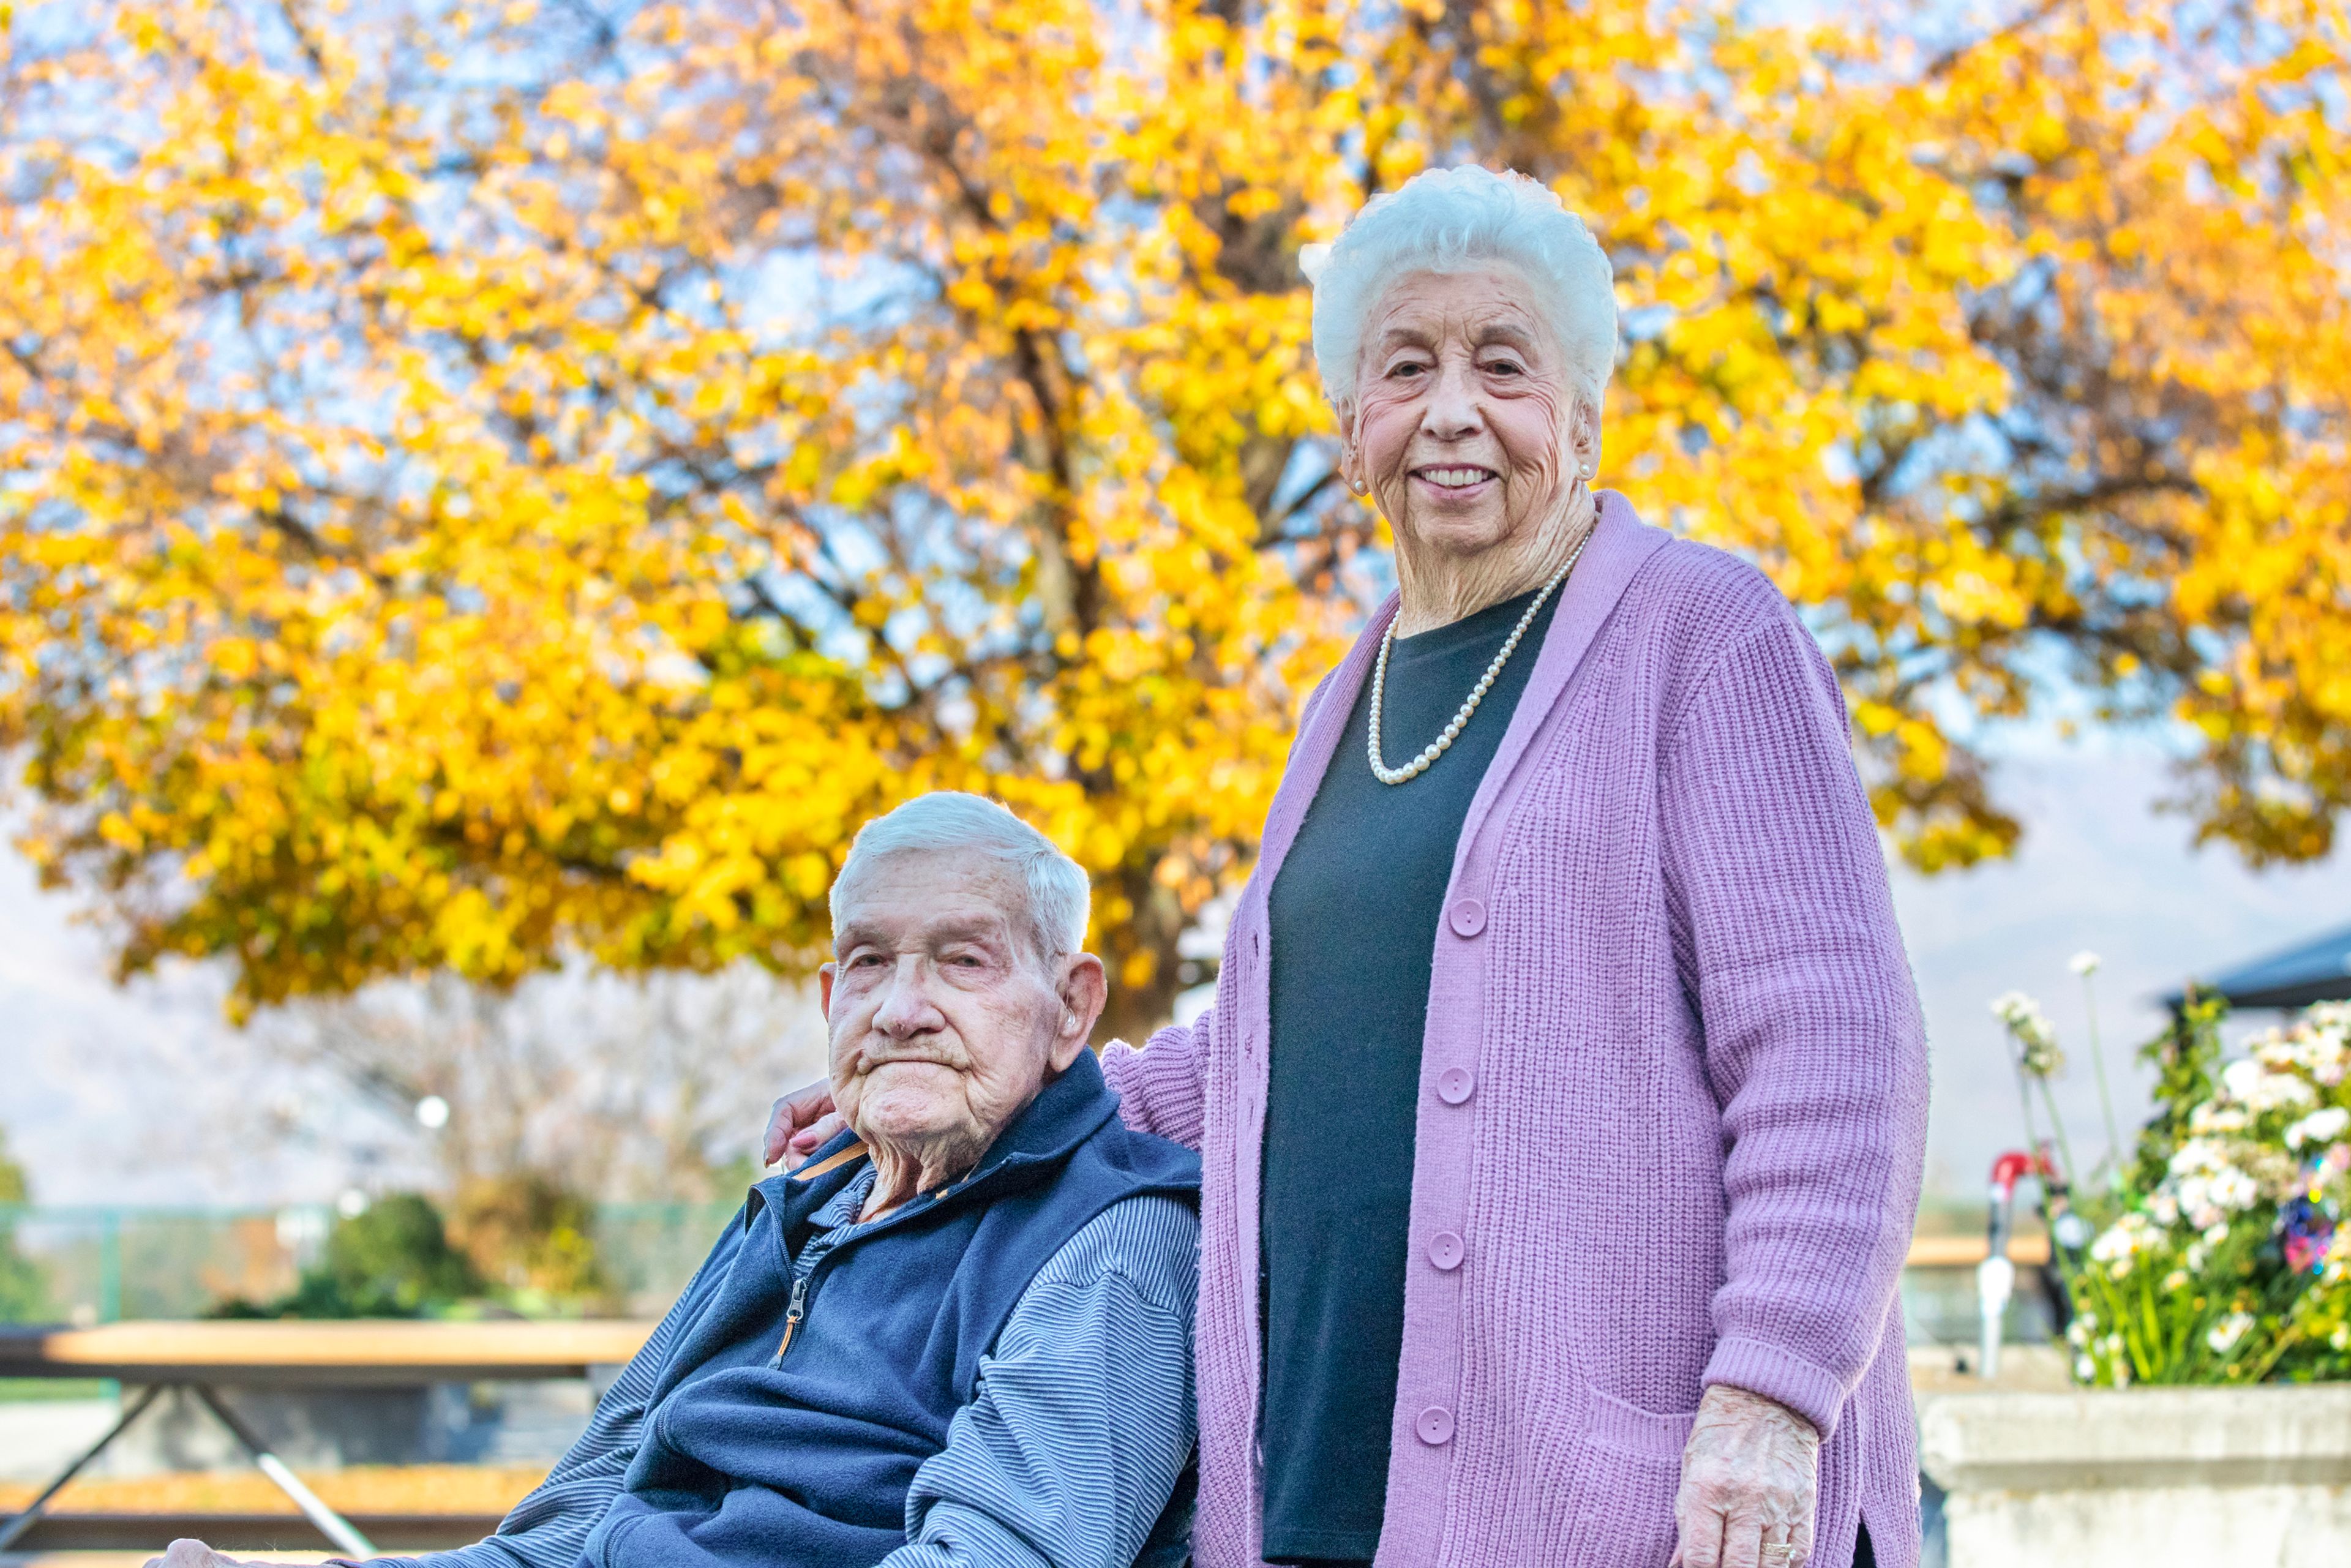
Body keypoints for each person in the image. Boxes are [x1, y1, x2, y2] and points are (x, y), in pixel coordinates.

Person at [776, 167, 1928, 1568]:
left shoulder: (1702, 635)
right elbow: (1275, 1051)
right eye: (1407, 367)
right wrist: (985, 1077)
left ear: (1581, 412)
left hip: (1623, 1490)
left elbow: (1833, 1048)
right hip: (1336, 1476)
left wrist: (1774, 1393)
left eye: (1502, 364)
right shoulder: (1350, 696)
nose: (1452, 409)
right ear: (1353, 423)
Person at [159, 793, 1202, 1568]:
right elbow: (569, 1525)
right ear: (831, 996)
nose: (901, 1009)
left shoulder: (1115, 1238)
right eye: (871, 964)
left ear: (1072, 1007)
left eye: (963, 961)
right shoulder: (803, 1198)